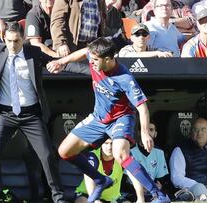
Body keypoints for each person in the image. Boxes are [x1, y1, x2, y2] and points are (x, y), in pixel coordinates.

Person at [46, 37, 170, 203]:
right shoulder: (95, 57)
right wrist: (61, 61)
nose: (92, 63)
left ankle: (158, 194)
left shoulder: (125, 77)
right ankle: (100, 179)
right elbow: (85, 52)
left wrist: (146, 133)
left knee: (121, 154)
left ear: (108, 59)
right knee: (64, 151)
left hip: (121, 118)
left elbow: (142, 107)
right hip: (98, 118)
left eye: (95, 60)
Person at [0, 22, 67, 203]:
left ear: (23, 39)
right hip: (5, 114)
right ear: (4, 39)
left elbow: (58, 63)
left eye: (16, 41)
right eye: (8, 41)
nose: (12, 45)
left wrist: (70, 64)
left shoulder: (34, 53)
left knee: (47, 155)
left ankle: (59, 198)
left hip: (31, 115)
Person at [128, 120, 170, 202]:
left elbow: (162, 179)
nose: (148, 133)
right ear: (139, 132)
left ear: (155, 134)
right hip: (133, 194)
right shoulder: (130, 152)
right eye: (145, 129)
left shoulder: (160, 153)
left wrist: (159, 186)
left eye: (151, 130)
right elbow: (124, 181)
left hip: (153, 193)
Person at [74, 138, 124, 203]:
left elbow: (135, 172)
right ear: (101, 144)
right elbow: (88, 177)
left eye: (112, 143)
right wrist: (95, 200)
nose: (109, 147)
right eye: (106, 143)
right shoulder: (92, 156)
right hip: (87, 195)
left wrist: (141, 198)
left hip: (113, 199)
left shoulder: (122, 156)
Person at [169, 117, 207, 201]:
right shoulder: (180, 150)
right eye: (195, 130)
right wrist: (198, 185)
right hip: (190, 190)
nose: (199, 133)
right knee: (200, 189)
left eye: (203, 130)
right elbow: (176, 178)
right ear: (190, 133)